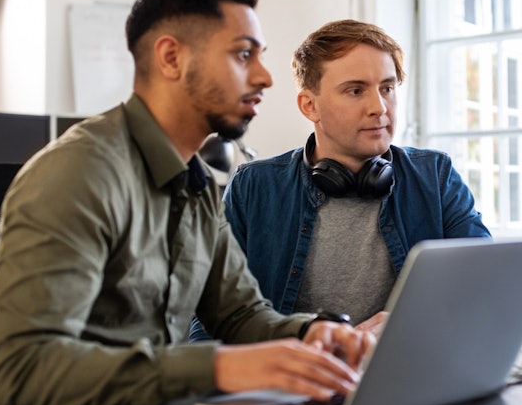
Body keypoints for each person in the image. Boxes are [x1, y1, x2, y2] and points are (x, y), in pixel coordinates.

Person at [0, 0, 371, 405]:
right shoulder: (80, 174)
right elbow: (22, 371)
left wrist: (311, 334)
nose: (265, 76)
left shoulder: (196, 183)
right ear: (171, 58)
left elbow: (239, 315)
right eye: (243, 54)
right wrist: (218, 367)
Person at [210, 19, 490, 337]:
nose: (379, 107)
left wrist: (411, 324)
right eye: (356, 91)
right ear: (310, 106)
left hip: (410, 359)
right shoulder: (253, 187)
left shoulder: (435, 176)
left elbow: (485, 285)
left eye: (387, 88)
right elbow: (210, 322)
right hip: (297, 366)